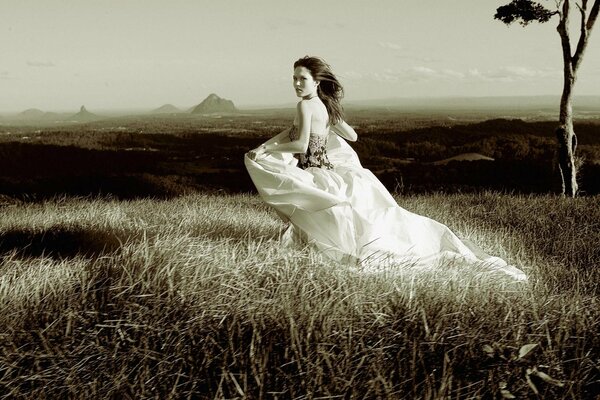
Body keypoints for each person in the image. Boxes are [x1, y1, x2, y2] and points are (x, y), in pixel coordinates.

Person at [245, 56, 526, 280]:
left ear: (316, 82)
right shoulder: (324, 106)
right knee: (344, 215)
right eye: (294, 78)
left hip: (316, 171)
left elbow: (299, 144)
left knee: (302, 204)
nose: (296, 84)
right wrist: (319, 129)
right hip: (330, 169)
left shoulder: (305, 106)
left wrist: (267, 150)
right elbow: (349, 135)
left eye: (302, 79)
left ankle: (330, 251)